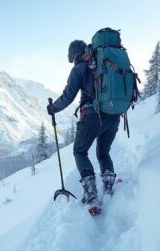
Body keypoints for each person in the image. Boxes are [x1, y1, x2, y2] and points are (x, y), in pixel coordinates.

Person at [46, 40, 119, 214]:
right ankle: (108, 185)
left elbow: (68, 95)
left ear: (75, 55)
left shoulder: (79, 69)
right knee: (103, 152)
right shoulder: (102, 64)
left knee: (80, 151)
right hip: (114, 116)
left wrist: (53, 108)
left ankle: (91, 195)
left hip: (92, 117)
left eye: (72, 58)